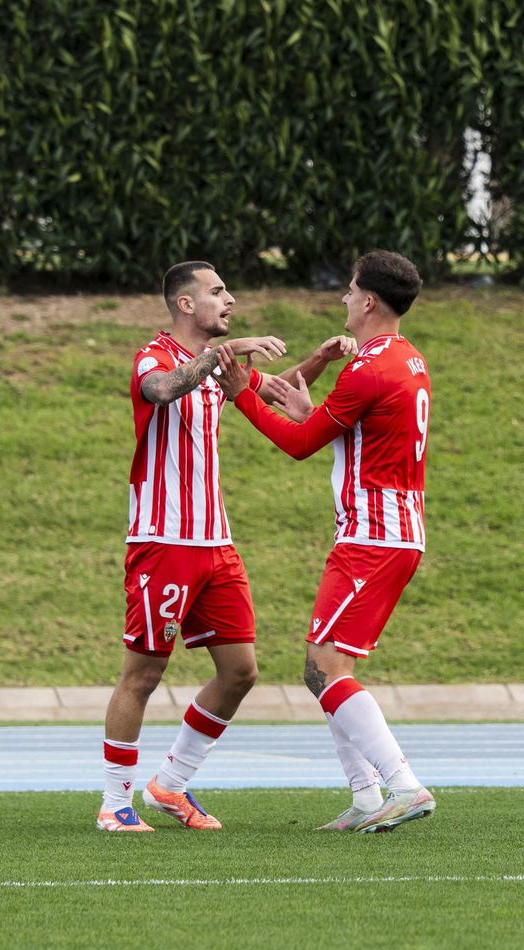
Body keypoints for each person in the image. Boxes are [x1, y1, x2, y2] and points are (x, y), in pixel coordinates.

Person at [100, 260, 353, 832]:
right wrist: (224, 352)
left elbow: (276, 389)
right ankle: (115, 802)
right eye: (217, 293)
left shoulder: (217, 365)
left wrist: (319, 359)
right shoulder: (156, 357)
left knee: (241, 671)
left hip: (216, 543)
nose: (230, 300)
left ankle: (170, 785)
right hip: (162, 542)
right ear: (186, 305)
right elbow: (161, 390)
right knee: (142, 674)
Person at [215, 249, 434, 834]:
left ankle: (404, 785)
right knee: (322, 665)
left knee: (324, 665)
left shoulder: (368, 367)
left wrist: (241, 394)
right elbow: (343, 433)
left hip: (373, 536)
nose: (344, 298)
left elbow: (299, 444)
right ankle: (366, 797)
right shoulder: (406, 359)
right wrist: (312, 408)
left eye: (350, 290)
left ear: (368, 301)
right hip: (390, 533)